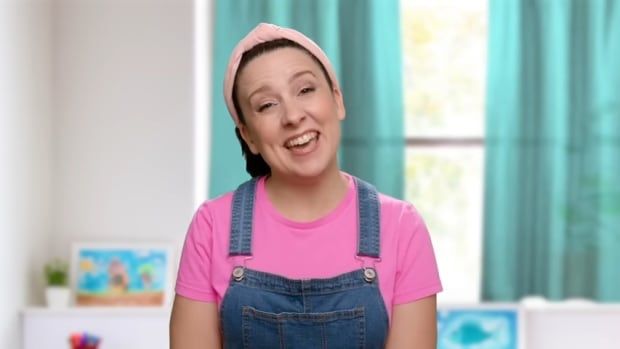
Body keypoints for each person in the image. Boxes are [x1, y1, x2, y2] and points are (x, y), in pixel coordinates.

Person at [170, 23, 442, 348]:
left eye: (305, 90)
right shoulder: (212, 226)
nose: (293, 115)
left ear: (337, 100)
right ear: (248, 136)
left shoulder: (401, 227)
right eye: (267, 105)